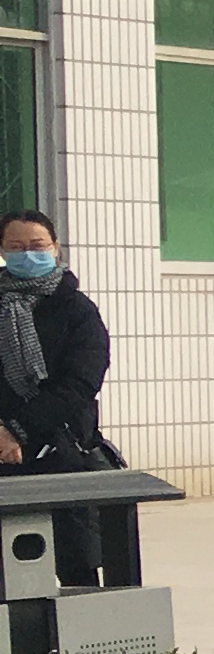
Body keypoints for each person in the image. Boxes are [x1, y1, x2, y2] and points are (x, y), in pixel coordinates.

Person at [0, 208, 116, 586]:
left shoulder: (77, 310)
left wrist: (17, 430)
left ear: (55, 247)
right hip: (4, 457)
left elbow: (80, 383)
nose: (27, 254)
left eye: (37, 245)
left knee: (75, 571)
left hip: (64, 454)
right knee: (11, 577)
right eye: (16, 247)